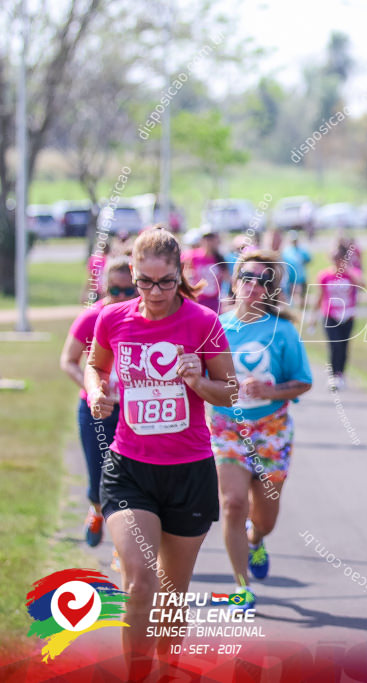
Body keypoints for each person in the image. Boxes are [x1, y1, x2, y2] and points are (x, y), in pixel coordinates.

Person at [84, 226, 236, 676]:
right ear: (132, 273)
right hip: (130, 468)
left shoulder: (202, 323)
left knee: (171, 592)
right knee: (140, 583)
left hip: (189, 471)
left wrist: (198, 381)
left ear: (179, 275)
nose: (154, 292)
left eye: (165, 281)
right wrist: (97, 392)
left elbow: (229, 391)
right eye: (145, 281)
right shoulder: (112, 319)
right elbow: (96, 365)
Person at [212, 251, 312, 609]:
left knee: (264, 518)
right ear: (234, 282)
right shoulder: (215, 328)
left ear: (271, 291)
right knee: (233, 503)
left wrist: (267, 390)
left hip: (273, 429)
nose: (253, 286)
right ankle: (242, 587)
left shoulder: (282, 331)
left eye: (263, 281)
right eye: (247, 278)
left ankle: (256, 541)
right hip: (227, 426)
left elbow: (302, 382)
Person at [61, 257, 138, 547]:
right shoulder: (92, 316)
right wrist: (94, 390)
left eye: (128, 290)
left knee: (132, 480)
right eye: (114, 290)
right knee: (99, 475)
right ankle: (95, 509)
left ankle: (126, 546)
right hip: (97, 410)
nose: (120, 297)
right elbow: (68, 361)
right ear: (104, 287)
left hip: (135, 412)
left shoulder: (145, 317)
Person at [316, 239, 365, 389]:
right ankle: (333, 375)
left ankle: (341, 374)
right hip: (330, 315)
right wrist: (312, 316)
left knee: (344, 346)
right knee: (334, 345)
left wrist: (349, 269)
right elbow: (320, 296)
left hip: (347, 315)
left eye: (339, 258)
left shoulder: (351, 274)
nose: (336, 261)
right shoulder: (324, 276)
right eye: (334, 257)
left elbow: (363, 284)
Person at [182, 228, 229, 312]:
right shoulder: (193, 256)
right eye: (206, 238)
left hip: (214, 301)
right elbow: (185, 274)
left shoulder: (220, 259)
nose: (208, 242)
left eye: (211, 239)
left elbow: (227, 279)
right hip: (197, 299)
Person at [281, 230, 312, 305]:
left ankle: (302, 308)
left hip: (301, 277)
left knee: (302, 296)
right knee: (291, 295)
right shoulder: (286, 251)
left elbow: (308, 259)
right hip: (291, 277)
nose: (294, 242)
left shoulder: (302, 250)